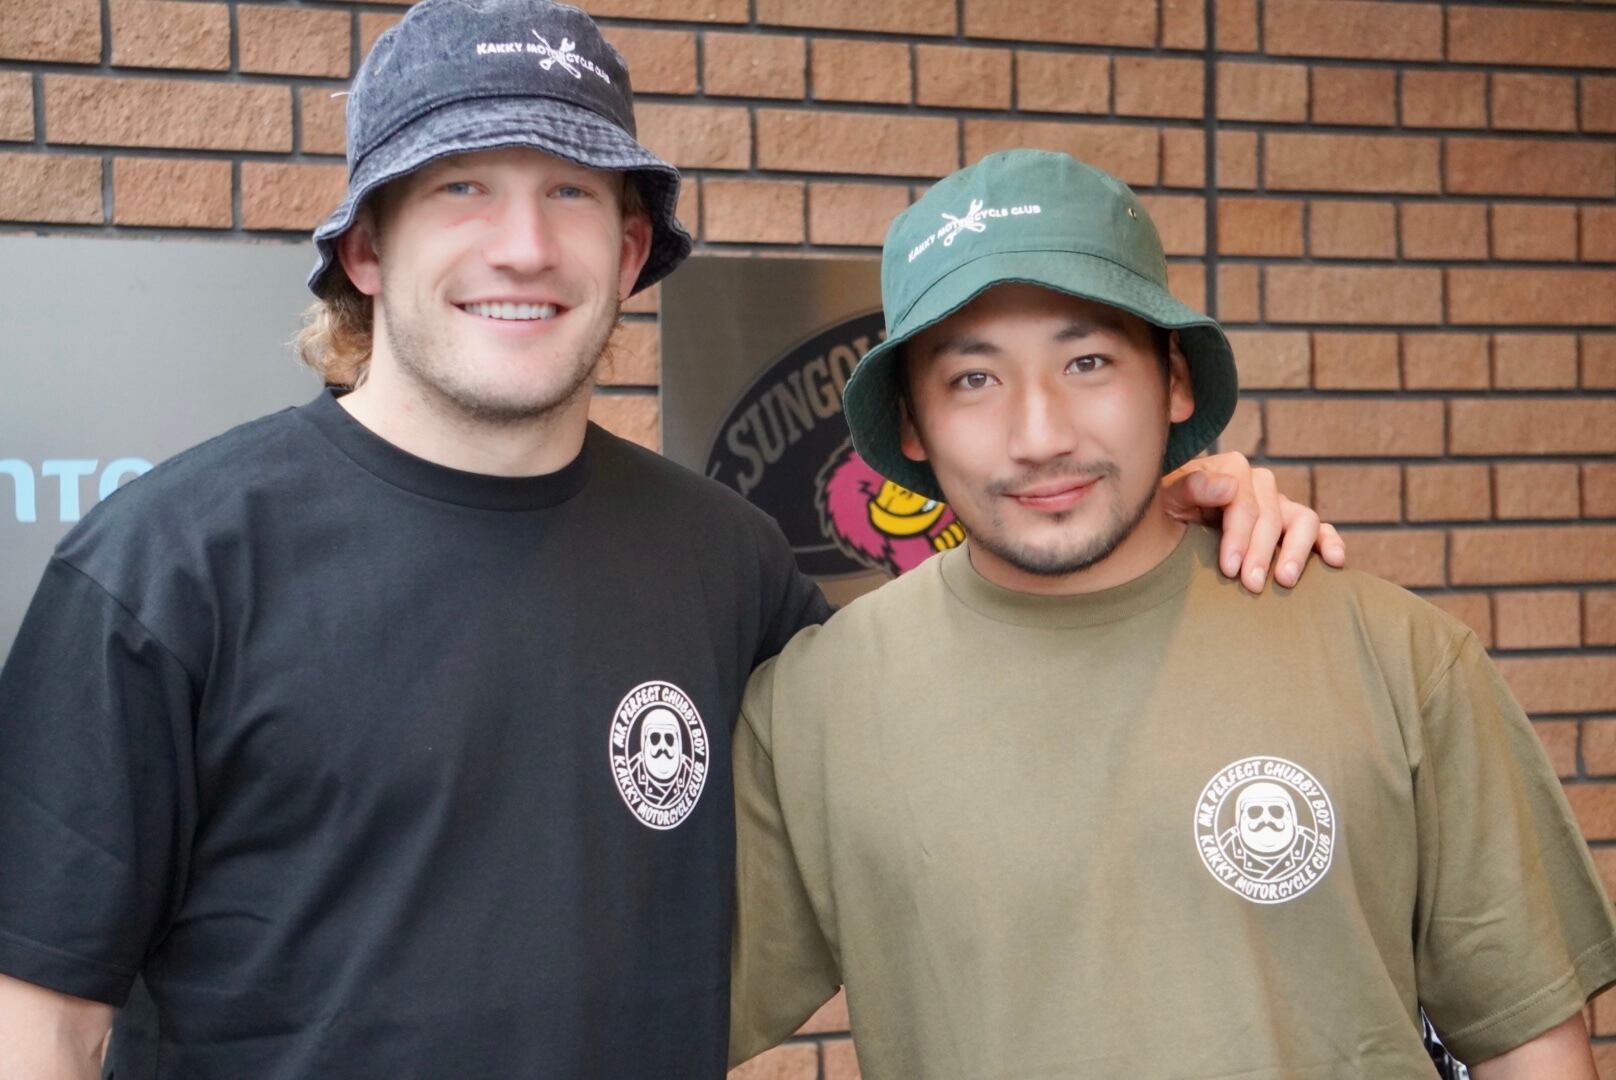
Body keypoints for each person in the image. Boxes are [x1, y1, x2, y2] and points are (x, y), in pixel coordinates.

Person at [0, 2, 1334, 1076]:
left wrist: (1154, 525)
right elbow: (41, 1023)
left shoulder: (723, 560)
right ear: (364, 250)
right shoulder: (167, 569)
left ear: (632, 250)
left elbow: (964, 684)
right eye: (461, 187)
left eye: (571, 195)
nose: (524, 246)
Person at [728, 149, 1616, 1079]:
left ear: (1176, 380)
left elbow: (1528, 1048)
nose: (1041, 436)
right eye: (973, 380)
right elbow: (651, 1004)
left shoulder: (1396, 657)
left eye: (1088, 361)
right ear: (911, 423)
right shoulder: (814, 708)